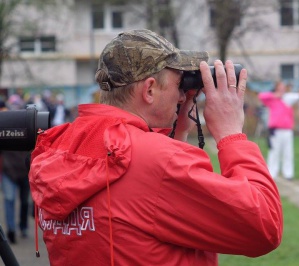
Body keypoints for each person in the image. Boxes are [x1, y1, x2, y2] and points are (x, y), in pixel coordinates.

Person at [29, 29, 283, 265]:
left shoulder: (58, 148)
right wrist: (231, 134)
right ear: (149, 89)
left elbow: (134, 218)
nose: (184, 95)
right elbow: (264, 227)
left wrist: (178, 128)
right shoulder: (158, 161)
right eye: (178, 85)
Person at [1, 95, 31, 244]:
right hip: (8, 171)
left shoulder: (27, 124)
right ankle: (11, 230)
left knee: (25, 202)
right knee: (9, 200)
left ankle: (23, 227)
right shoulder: (3, 124)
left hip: (25, 171)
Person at [258, 81, 299, 180]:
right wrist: (274, 95)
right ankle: (272, 173)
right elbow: (261, 96)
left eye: (283, 87)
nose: (282, 89)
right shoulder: (272, 99)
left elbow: (298, 96)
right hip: (275, 130)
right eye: (280, 87)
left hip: (287, 130)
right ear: (276, 88)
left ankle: (288, 173)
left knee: (288, 152)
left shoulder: (287, 99)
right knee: (274, 152)